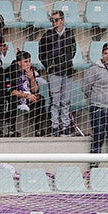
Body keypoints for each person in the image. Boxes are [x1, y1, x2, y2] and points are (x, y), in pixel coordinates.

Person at [38, 8, 78, 136]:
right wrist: (50, 66)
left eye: (56, 20)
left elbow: (73, 50)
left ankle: (65, 125)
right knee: (55, 100)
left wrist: (67, 61)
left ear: (62, 20)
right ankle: (55, 126)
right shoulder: (48, 35)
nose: (53, 22)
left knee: (66, 100)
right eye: (52, 20)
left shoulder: (70, 33)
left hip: (67, 71)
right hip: (55, 71)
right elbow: (42, 54)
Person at [82, 42, 108, 156]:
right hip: (99, 108)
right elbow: (86, 87)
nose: (107, 56)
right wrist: (96, 99)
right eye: (105, 53)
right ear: (102, 54)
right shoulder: (94, 69)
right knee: (98, 137)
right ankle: (94, 164)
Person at [4, 51, 45, 137]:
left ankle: (39, 130)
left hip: (28, 96)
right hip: (16, 96)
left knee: (40, 99)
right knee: (13, 99)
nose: (28, 64)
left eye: (29, 61)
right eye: (26, 62)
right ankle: (11, 130)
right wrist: (26, 96)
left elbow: (35, 90)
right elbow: (11, 91)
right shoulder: (10, 71)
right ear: (19, 63)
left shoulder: (32, 70)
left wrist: (32, 79)